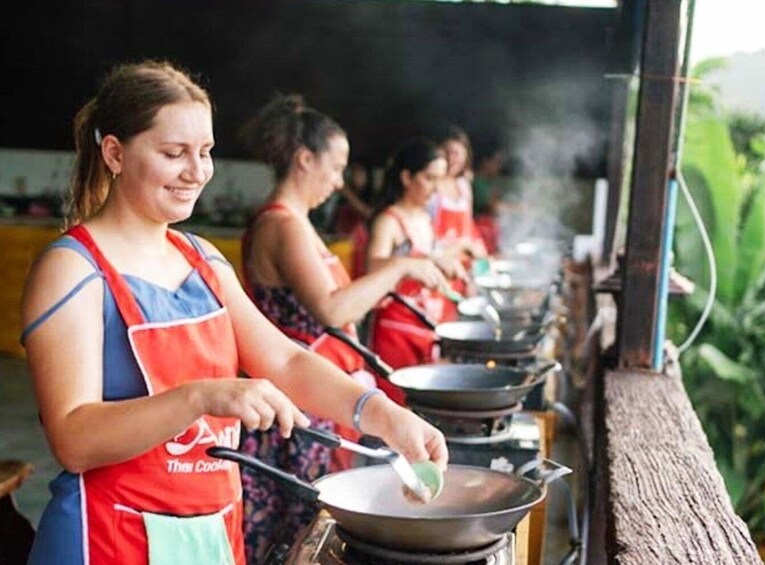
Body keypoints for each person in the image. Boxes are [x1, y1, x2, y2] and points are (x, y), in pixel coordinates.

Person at [20, 61, 448, 565]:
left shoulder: (202, 260)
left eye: (204, 152)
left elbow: (285, 362)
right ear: (114, 152)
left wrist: (384, 415)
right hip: (108, 537)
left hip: (211, 530)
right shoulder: (72, 269)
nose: (197, 171)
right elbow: (73, 439)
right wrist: (203, 396)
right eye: (173, 153)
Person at [237, 94, 452, 562]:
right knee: (292, 533)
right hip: (295, 407)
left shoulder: (298, 223)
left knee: (301, 529)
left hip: (306, 399)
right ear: (304, 159)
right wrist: (399, 269)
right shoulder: (283, 225)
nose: (339, 182)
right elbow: (331, 310)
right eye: (335, 167)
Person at [366, 137, 467, 400]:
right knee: (397, 403)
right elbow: (372, 268)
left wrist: (444, 259)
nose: (436, 188)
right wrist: (415, 262)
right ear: (407, 177)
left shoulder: (424, 216)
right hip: (396, 330)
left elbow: (428, 254)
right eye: (429, 178)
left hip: (425, 324)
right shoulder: (389, 221)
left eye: (440, 179)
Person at [430, 126, 488, 320]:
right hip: (436, 266)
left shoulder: (463, 187)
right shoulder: (430, 187)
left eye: (457, 153)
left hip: (460, 270)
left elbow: (468, 227)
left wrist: (479, 252)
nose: (452, 158)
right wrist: (460, 246)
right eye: (447, 152)